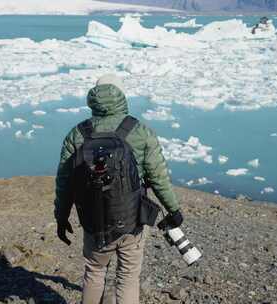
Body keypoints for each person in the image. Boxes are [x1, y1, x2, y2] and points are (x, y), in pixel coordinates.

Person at [54, 74, 183, 304]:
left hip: (93, 220)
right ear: (122, 96)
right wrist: (173, 209)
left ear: (93, 98)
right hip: (131, 219)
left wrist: (61, 216)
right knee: (127, 276)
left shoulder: (77, 134)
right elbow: (158, 177)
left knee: (94, 272)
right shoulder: (140, 131)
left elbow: (65, 182)